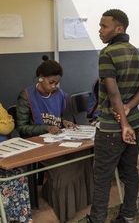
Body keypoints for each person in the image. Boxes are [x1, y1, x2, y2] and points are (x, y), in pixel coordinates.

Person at [87, 9, 139, 223]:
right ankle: (129, 214)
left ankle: (97, 219)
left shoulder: (107, 54)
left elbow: (113, 94)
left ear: (119, 29)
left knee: (102, 177)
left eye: (104, 26)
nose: (100, 30)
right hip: (135, 123)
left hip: (113, 129)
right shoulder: (136, 53)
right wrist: (129, 107)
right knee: (129, 172)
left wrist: (122, 123)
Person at [16, 56, 93, 223]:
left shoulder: (61, 95)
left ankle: (79, 203)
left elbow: (60, 119)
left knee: (82, 159)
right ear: (40, 78)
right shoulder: (27, 95)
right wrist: (46, 128)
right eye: (51, 82)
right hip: (37, 143)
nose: (54, 86)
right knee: (64, 170)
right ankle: (58, 203)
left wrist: (65, 122)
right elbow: (21, 128)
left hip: (59, 141)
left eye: (57, 83)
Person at [0, 102, 32, 222]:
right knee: (5, 183)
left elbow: (9, 125)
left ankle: (21, 218)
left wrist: (3, 126)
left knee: (18, 175)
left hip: (4, 152)